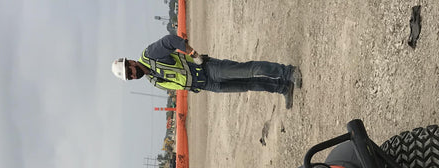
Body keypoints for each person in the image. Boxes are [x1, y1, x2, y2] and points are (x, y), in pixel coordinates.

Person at [111, 34, 302, 109]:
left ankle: (287, 72)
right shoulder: (153, 81)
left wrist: (192, 53)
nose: (133, 75)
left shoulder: (150, 55)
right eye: (130, 77)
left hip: (208, 69)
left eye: (130, 71)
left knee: (248, 70)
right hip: (207, 85)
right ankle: (283, 88)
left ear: (132, 62)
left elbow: (169, 41)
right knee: (248, 85)